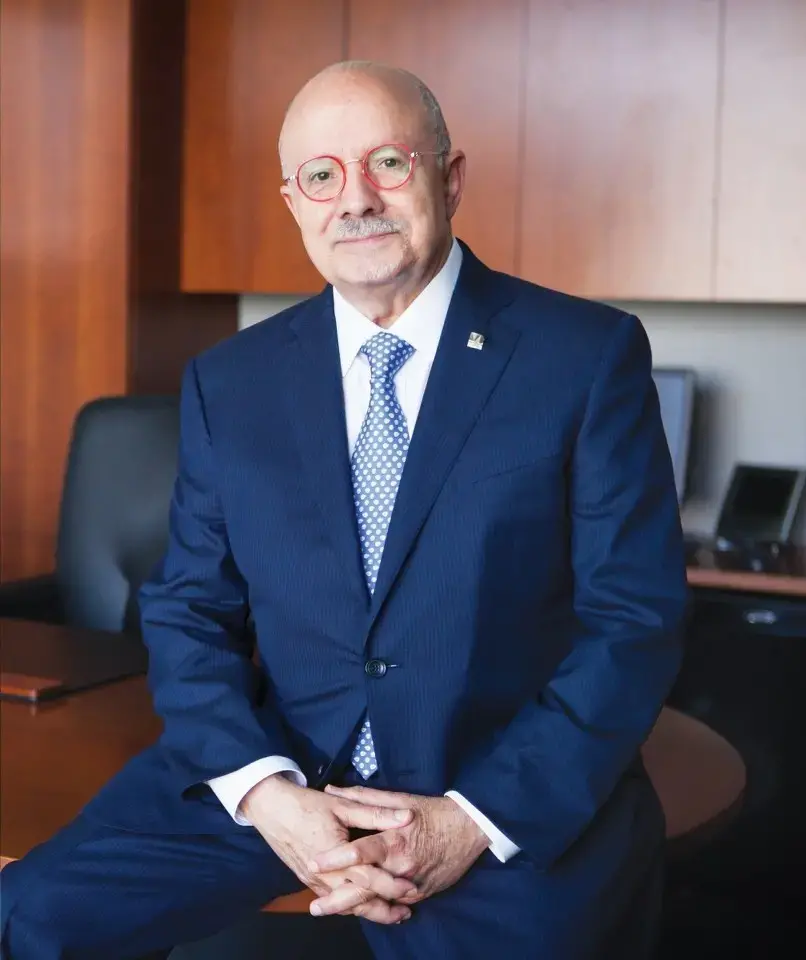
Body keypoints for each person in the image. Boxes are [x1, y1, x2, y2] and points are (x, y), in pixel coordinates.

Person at [0, 61, 688, 959]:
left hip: (489, 792)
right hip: (286, 773)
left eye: (388, 164)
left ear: (450, 177)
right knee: (33, 916)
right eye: (321, 175)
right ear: (294, 202)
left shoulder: (583, 356)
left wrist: (471, 821)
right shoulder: (231, 381)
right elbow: (187, 608)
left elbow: (631, 621)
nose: (354, 198)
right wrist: (265, 793)